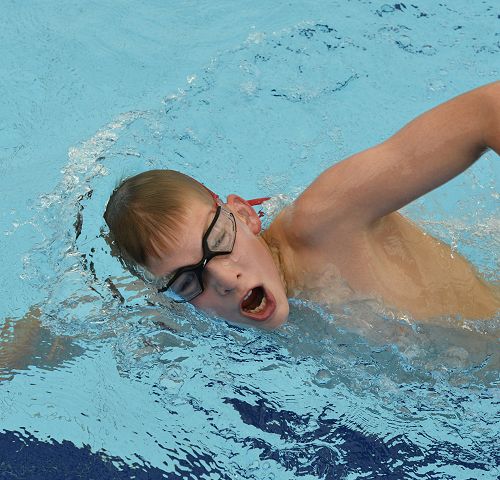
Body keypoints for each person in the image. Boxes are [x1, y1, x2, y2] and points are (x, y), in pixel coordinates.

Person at [104, 82, 500, 330]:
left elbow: (487, 109)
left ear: (244, 215)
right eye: (190, 282)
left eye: (220, 240)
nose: (223, 279)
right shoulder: (191, 304)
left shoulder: (327, 219)